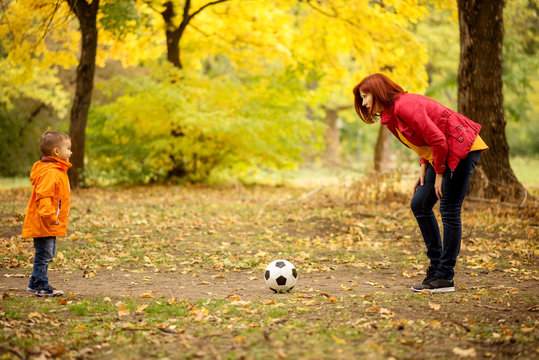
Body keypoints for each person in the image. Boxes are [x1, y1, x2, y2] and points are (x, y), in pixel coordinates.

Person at [353, 73, 488, 293]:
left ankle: (445, 277)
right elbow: (423, 137)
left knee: (449, 209)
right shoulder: (390, 116)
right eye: (362, 98)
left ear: (378, 92)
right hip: (441, 152)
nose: (364, 102)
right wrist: (424, 165)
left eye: (366, 96)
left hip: (460, 148)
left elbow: (437, 138)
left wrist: (441, 173)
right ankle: (436, 268)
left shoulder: (404, 105)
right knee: (420, 204)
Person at [22, 130, 72, 297]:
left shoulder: (57, 170)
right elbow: (43, 197)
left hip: (49, 221)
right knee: (44, 254)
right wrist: (51, 216)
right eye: (68, 148)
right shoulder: (50, 171)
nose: (71, 152)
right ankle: (40, 285)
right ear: (56, 152)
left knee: (47, 252)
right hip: (45, 221)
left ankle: (34, 282)